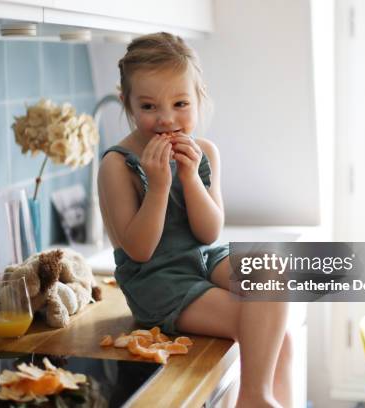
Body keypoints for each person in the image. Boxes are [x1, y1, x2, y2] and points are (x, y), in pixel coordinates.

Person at [98, 32, 292, 408]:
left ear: (199, 98)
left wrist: (188, 177)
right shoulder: (117, 165)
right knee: (258, 327)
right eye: (149, 106)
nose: (167, 118)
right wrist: (158, 187)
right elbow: (138, 251)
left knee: (273, 277)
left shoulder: (204, 153)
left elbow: (208, 231)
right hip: (157, 279)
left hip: (202, 258)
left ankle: (266, 399)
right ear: (128, 103)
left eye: (180, 103)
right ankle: (254, 399)